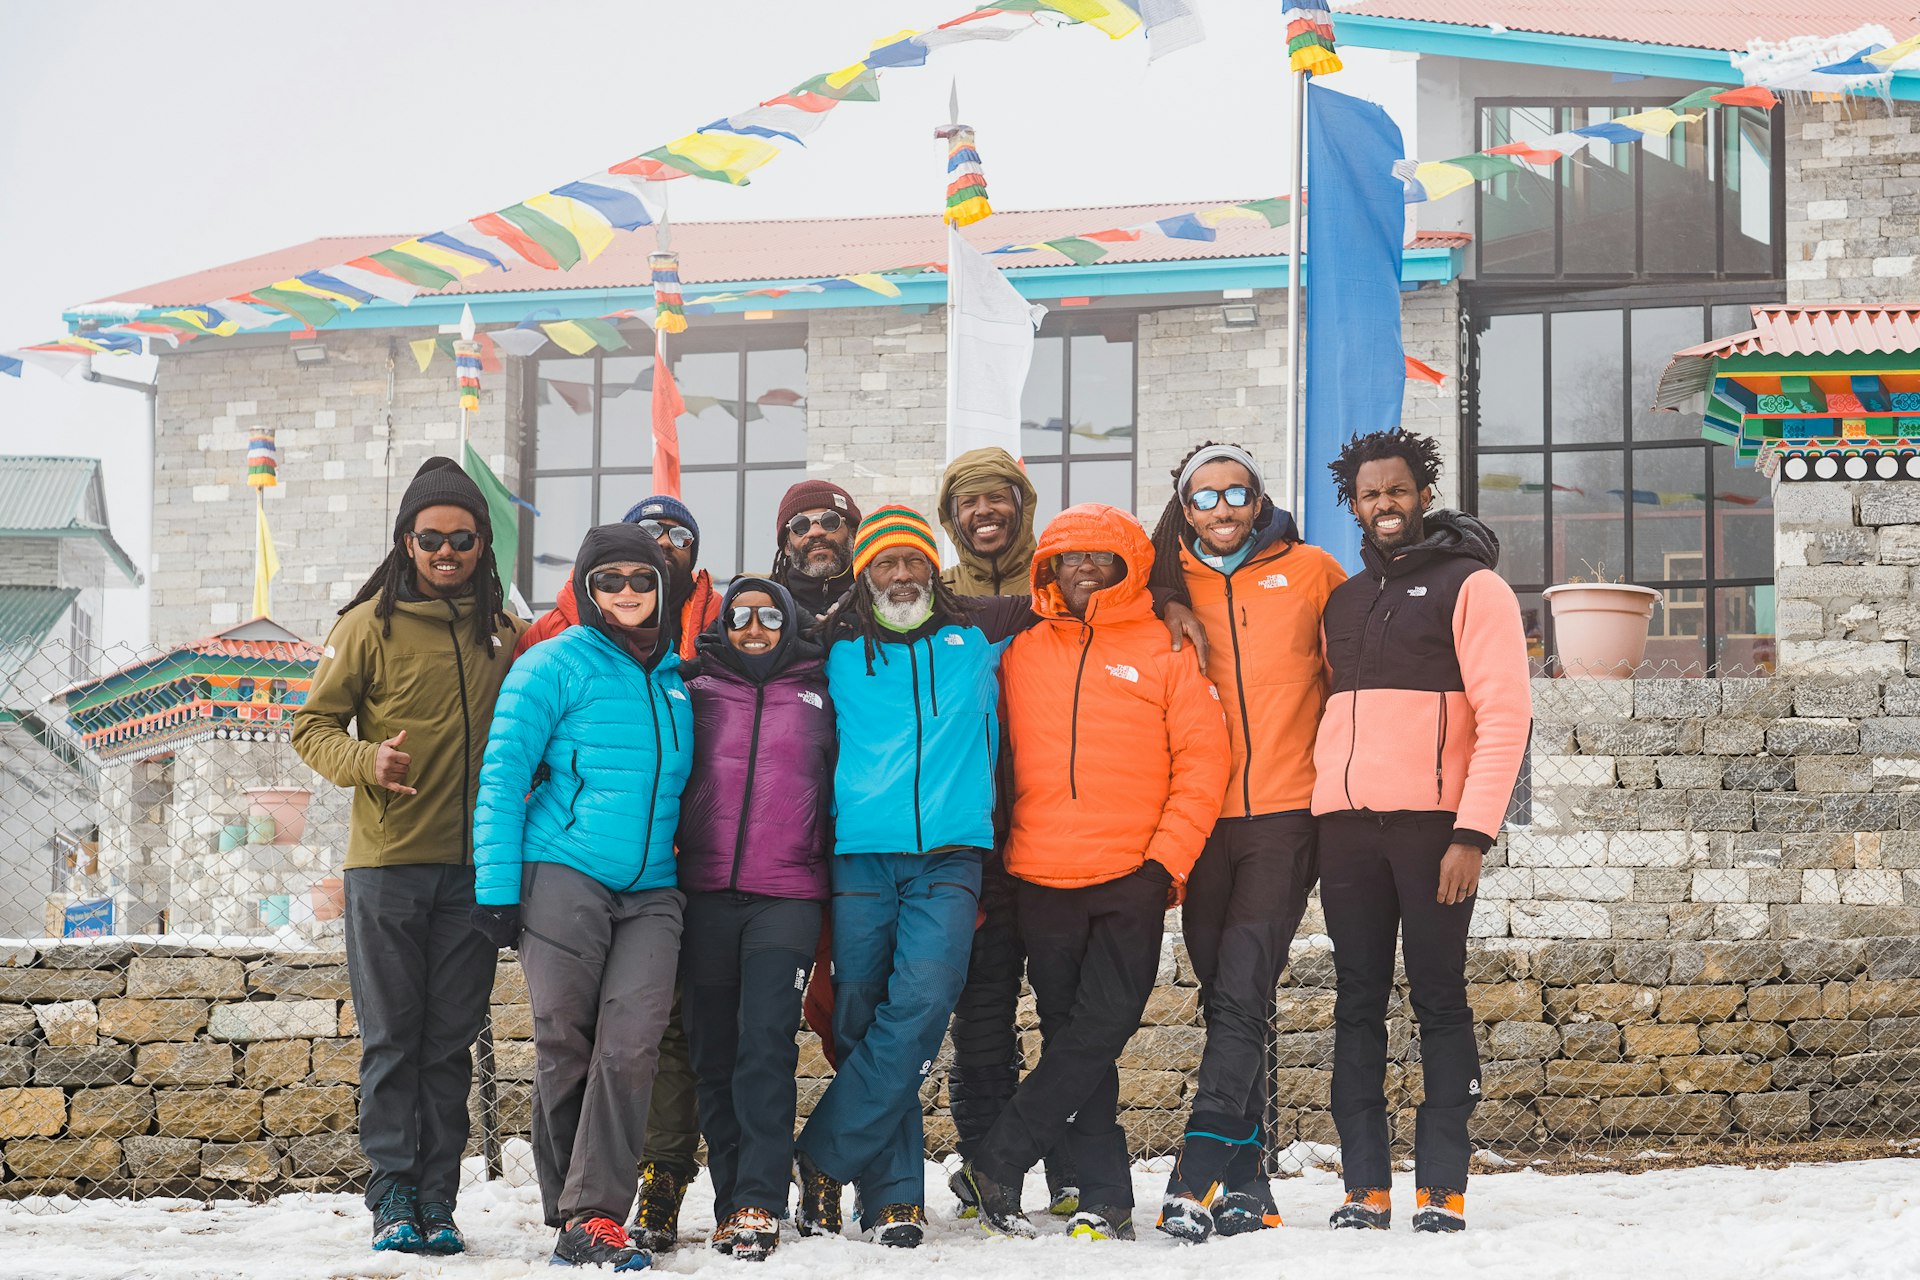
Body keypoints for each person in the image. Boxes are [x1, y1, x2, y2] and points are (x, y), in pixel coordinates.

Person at [957, 504, 1228, 1243]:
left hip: (1129, 877)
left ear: (1128, 566)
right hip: (1040, 877)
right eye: (1065, 559)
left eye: (1096, 558)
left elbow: (1204, 766)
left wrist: (1164, 864)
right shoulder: (1020, 651)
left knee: (1099, 1030)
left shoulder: (1167, 647)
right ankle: (1103, 1196)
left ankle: (999, 1157)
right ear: (1045, 570)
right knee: (1072, 1037)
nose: (1080, 570)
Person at [291, 457, 524, 1255]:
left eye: (462, 538)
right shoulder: (366, 628)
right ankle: (392, 1193)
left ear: (481, 544)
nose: (447, 551)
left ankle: (438, 1199)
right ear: (407, 541)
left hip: (476, 871)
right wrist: (368, 764)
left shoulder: (502, 635)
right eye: (432, 538)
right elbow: (312, 728)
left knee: (449, 1041)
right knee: (394, 1038)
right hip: (388, 866)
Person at [790, 505, 1036, 1249]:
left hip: (951, 858)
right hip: (861, 857)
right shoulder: (830, 645)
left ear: (934, 567)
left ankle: (823, 1151)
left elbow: (1078, 587)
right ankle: (893, 1195)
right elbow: (741, 646)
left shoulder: (980, 635)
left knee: (926, 1000)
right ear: (864, 574)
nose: (902, 575)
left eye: (913, 562)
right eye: (885, 564)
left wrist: (1177, 603)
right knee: (864, 1015)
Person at [1313, 429, 1530, 1234]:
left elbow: (1507, 717)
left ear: (1422, 492)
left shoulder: (1472, 587)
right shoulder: (1343, 598)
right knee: (1356, 1002)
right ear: (1356, 504)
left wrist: (1472, 834)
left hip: (1436, 832)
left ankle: (1443, 1186)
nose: (1384, 505)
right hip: (1345, 832)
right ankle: (1362, 1188)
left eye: (1397, 490)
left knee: (1439, 999)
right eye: (1370, 494)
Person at [469, 522, 694, 1271]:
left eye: (640, 579)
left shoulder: (675, 677)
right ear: (587, 590)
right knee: (566, 1037)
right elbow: (502, 776)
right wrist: (497, 892)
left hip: (654, 887)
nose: (626, 593)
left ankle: (590, 1211)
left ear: (663, 588)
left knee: (631, 1043)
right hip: (562, 866)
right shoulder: (551, 666)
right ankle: (581, 1212)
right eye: (610, 581)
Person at [1144, 442, 1347, 1243]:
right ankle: (1251, 1184)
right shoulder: (1164, 587)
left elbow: (1354, 669)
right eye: (1205, 497)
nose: (1222, 509)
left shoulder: (1312, 572)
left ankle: (1198, 1170)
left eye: (1237, 493)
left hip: (1286, 813)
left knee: (1239, 989)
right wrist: (1163, 603)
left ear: (1259, 502)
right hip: (1199, 819)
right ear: (1185, 509)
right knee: (1233, 998)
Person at [931, 447, 1082, 1216]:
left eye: (998, 499)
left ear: (1022, 505)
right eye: (968, 502)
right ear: (951, 516)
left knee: (1068, 1016)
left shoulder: (1064, 583)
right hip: (972, 839)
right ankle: (989, 1167)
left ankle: (1074, 1175)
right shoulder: (931, 596)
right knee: (982, 1016)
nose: (984, 512)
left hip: (1061, 828)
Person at [676, 577, 835, 1262]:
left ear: (788, 623)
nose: (754, 627)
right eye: (740, 615)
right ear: (723, 622)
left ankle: (760, 1199)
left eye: (771, 615)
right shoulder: (693, 687)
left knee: (765, 1046)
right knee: (713, 1054)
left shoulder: (822, 693)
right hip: (704, 893)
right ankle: (727, 1197)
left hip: (788, 895)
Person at [771, 478, 862, 616]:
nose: (815, 532)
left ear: (854, 534)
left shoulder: (878, 597)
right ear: (787, 546)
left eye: (830, 521)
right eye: (800, 526)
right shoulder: (768, 601)